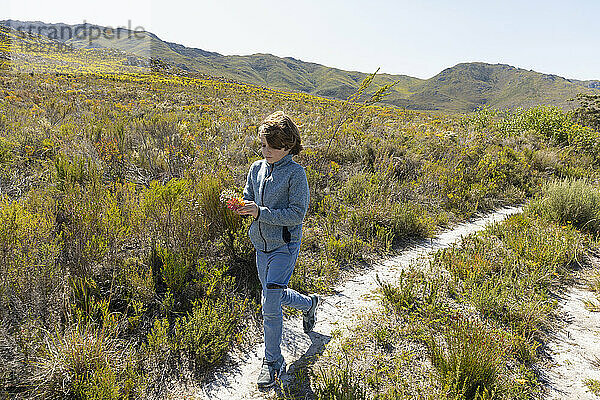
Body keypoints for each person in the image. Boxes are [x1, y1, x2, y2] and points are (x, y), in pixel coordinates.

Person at [235, 111, 320, 389]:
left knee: (270, 303)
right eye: (263, 145)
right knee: (276, 295)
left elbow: (296, 214)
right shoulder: (256, 168)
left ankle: (272, 362)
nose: (266, 151)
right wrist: (242, 205)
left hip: (284, 245)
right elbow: (249, 195)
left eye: (273, 146)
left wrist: (260, 212)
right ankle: (309, 304)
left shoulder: (296, 174)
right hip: (261, 245)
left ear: (288, 146)